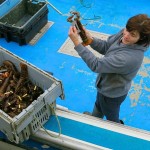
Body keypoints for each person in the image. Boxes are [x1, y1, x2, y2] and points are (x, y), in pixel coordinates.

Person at [68, 14, 150, 124]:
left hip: (112, 95)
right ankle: (95, 119)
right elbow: (107, 47)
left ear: (141, 39)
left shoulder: (129, 58)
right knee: (98, 105)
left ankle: (117, 130)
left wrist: (77, 43)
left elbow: (96, 65)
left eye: (133, 35)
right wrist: (90, 40)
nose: (125, 35)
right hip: (104, 86)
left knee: (111, 117)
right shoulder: (125, 35)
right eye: (127, 29)